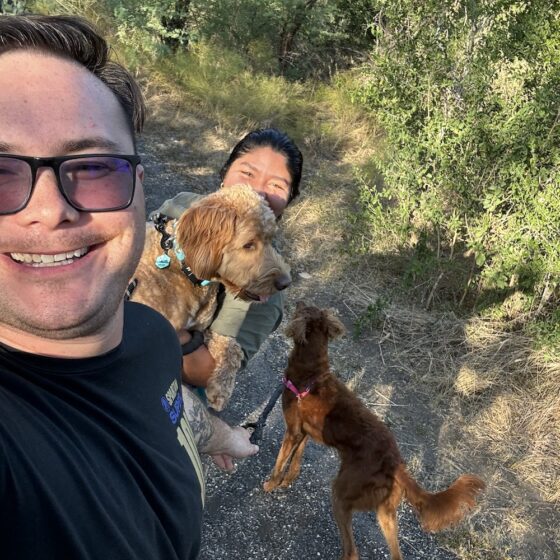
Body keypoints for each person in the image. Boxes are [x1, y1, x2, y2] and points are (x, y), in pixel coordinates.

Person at [0, 14, 257, 560]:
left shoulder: (147, 333)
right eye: (0, 172)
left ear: (141, 189)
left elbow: (160, 399)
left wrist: (221, 435)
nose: (51, 212)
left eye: (92, 167)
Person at [154, 128, 303, 391]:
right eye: (247, 173)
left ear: (289, 200)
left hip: (164, 382)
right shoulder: (183, 205)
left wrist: (166, 321)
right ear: (225, 174)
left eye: (276, 185)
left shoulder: (266, 282)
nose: (257, 191)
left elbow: (208, 374)